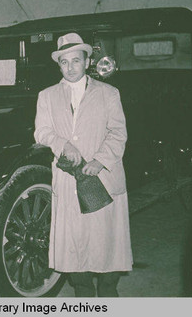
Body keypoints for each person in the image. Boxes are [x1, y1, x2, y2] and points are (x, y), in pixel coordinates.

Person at [34, 32, 132, 297]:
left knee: (106, 245)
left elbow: (118, 132)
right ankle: (84, 295)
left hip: (103, 181)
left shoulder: (109, 93)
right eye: (64, 62)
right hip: (68, 181)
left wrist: (100, 161)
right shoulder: (47, 96)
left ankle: (109, 293)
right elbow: (41, 132)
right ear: (59, 64)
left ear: (87, 61)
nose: (70, 67)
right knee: (75, 250)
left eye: (75, 61)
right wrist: (63, 143)